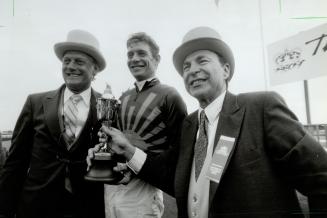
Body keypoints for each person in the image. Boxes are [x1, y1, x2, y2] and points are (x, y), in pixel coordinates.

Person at [95, 26, 327, 218]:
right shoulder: (190, 126)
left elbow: (320, 178)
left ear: (226, 70)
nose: (193, 70)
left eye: (202, 61)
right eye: (186, 66)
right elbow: (169, 178)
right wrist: (127, 150)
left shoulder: (260, 107)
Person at [0, 30, 106, 218]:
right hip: (36, 206)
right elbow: (15, 162)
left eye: (79, 62)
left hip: (87, 208)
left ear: (95, 68)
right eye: (67, 61)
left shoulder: (107, 106)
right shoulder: (35, 102)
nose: (71, 67)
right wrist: (5, 210)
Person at [99, 32, 187, 218]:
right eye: (130, 55)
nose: (134, 59)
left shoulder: (170, 96)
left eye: (141, 53)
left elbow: (178, 152)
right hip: (113, 186)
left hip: (145, 190)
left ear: (156, 59)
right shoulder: (122, 97)